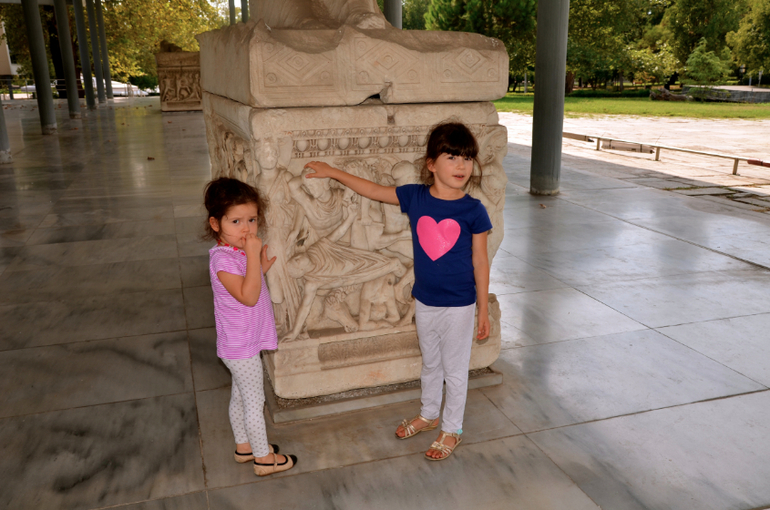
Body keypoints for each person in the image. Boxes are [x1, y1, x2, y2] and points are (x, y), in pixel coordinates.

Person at [305, 122, 492, 461]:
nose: (461, 165)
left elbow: (480, 261)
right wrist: (332, 172)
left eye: (467, 158)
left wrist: (482, 309)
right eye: (452, 157)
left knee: (454, 370)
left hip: (460, 305)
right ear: (431, 164)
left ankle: (452, 429)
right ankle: (429, 414)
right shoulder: (415, 197)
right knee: (430, 363)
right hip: (426, 300)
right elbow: (374, 190)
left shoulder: (474, 210)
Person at [203, 177, 298, 476]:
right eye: (236, 221)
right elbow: (248, 295)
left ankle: (244, 447)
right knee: (255, 402)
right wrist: (254, 258)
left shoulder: (235, 252)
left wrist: (259, 265)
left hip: (244, 340)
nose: (246, 228)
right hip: (240, 346)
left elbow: (248, 281)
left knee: (240, 396)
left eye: (252, 219)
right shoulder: (222, 260)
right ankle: (263, 459)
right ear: (215, 224)